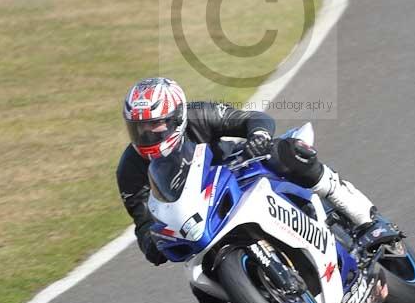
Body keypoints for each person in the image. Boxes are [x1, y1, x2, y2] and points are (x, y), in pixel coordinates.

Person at [116, 77, 398, 267]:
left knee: (286, 151)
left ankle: (366, 221)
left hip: (238, 176)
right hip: (201, 217)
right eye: (139, 127)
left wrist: (259, 136)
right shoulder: (129, 167)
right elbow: (142, 219)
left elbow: (253, 119)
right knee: (205, 290)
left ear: (177, 118)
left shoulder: (200, 115)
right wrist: (151, 243)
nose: (148, 134)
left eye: (156, 125)